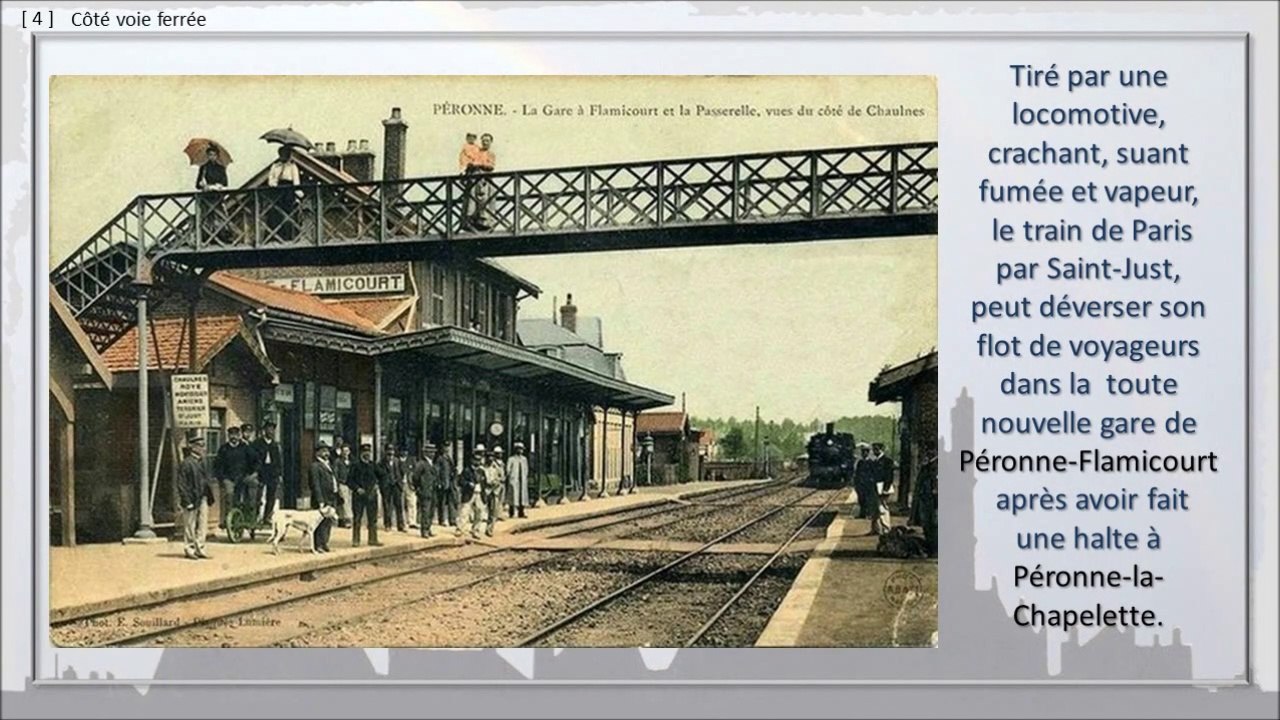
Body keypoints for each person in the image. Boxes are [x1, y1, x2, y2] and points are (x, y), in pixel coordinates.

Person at [177, 431, 214, 560]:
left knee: (203, 524)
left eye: (203, 445)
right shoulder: (186, 463)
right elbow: (181, 484)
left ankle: (200, 548)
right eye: (200, 445)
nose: (203, 448)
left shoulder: (203, 462)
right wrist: (187, 501)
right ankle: (189, 548)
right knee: (190, 525)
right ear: (193, 447)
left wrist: (208, 495)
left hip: (202, 497)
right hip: (191, 499)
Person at [213, 425, 258, 529]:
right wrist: (222, 478)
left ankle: (250, 514)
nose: (233, 437)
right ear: (228, 436)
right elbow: (217, 465)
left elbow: (256, 460)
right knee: (229, 494)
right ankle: (227, 519)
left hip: (243, 477)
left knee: (253, 486)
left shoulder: (245, 447)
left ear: (239, 435)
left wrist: (254, 473)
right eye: (231, 435)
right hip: (229, 478)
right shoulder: (224, 449)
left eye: (236, 435)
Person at [347, 444, 384, 547]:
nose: (367, 454)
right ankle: (356, 540)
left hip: (372, 496)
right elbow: (349, 480)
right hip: (359, 496)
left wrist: (377, 485)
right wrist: (357, 488)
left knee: (372, 519)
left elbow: (383, 475)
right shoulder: (355, 465)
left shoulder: (373, 465)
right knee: (357, 518)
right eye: (365, 452)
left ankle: (373, 539)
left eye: (369, 452)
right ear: (361, 453)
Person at [266, 145, 302, 242]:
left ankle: (289, 236)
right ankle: (276, 236)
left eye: (286, 154)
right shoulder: (275, 166)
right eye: (282, 154)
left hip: (288, 191)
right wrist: (275, 183)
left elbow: (296, 182)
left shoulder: (293, 166)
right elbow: (270, 181)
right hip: (277, 191)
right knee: (275, 213)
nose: (284, 156)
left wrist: (298, 195)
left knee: (289, 213)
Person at [308, 443, 338, 553]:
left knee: (328, 522)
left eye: (327, 451)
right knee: (319, 522)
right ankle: (318, 544)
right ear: (317, 453)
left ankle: (325, 542)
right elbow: (315, 485)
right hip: (322, 498)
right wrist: (320, 500)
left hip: (331, 497)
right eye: (323, 451)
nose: (327, 453)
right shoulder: (315, 466)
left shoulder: (328, 464)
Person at [252, 420, 282, 522]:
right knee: (258, 495)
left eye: (273, 429)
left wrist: (279, 474)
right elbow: (253, 459)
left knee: (271, 495)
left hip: (272, 473)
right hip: (261, 472)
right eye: (269, 429)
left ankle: (267, 516)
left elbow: (278, 461)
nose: (271, 432)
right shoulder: (257, 443)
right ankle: (255, 516)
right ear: (264, 430)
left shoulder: (275, 445)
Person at [457, 445, 488, 540]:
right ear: (472, 460)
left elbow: (484, 482)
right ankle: (460, 529)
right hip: (469, 494)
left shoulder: (481, 471)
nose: (477, 462)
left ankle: (476, 530)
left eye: (479, 460)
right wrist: (468, 484)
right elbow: (460, 481)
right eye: (475, 460)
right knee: (464, 512)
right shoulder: (467, 470)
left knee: (479, 513)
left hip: (479, 494)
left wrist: (484, 492)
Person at [869, 442, 896, 536]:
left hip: (882, 487)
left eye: (876, 449)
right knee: (874, 509)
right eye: (874, 449)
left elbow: (889, 475)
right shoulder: (874, 461)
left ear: (881, 450)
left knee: (882, 508)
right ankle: (875, 529)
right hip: (874, 487)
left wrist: (886, 487)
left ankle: (886, 528)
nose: (875, 451)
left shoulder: (887, 461)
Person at [412, 443, 438, 537]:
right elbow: (415, 477)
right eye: (430, 452)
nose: (433, 454)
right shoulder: (421, 464)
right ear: (425, 453)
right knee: (425, 511)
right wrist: (418, 488)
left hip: (433, 491)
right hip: (424, 490)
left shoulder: (432, 463)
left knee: (431, 511)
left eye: (433, 452)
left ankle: (428, 527)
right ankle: (424, 530)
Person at [380, 443, 405, 532]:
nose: (390, 455)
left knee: (399, 506)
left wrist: (400, 483)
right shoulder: (381, 462)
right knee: (387, 506)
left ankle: (400, 525)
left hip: (396, 486)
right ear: (385, 452)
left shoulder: (397, 461)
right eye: (388, 453)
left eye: (392, 453)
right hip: (387, 487)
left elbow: (402, 472)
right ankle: (388, 524)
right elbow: (379, 474)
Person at [433, 441, 457, 530]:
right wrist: (438, 482)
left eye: (448, 447)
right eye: (445, 447)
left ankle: (452, 519)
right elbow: (437, 471)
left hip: (450, 483)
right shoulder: (440, 458)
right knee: (442, 502)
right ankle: (442, 519)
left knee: (451, 501)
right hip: (443, 483)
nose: (447, 449)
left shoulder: (450, 458)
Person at [484, 446, 507, 535]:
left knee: (493, 510)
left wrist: (496, 482)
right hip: (485, 490)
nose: (490, 459)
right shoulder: (483, 467)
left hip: (494, 491)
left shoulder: (496, 467)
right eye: (489, 457)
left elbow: (500, 476)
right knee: (481, 510)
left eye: (492, 457)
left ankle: (489, 529)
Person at [505, 441, 531, 519]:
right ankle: (512, 512)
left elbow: (526, 469)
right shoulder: (511, 459)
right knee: (513, 496)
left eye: (521, 449)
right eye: (519, 449)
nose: (520, 451)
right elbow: (508, 469)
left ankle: (521, 512)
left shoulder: (524, 459)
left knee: (522, 496)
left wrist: (525, 477)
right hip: (514, 480)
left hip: (522, 480)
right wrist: (510, 477)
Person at [852, 443, 874, 520]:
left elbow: (873, 474)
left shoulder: (871, 462)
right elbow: (857, 473)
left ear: (868, 453)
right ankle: (862, 513)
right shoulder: (860, 462)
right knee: (861, 499)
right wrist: (856, 484)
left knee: (868, 499)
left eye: (866, 452)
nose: (864, 453)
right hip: (860, 484)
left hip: (868, 484)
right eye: (863, 452)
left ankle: (868, 514)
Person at [333, 441, 353, 528]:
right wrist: (337, 484)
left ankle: (342, 520)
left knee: (349, 502)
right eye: (344, 451)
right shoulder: (338, 461)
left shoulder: (351, 461)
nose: (346, 453)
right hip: (342, 483)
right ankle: (347, 520)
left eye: (347, 451)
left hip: (350, 484)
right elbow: (335, 473)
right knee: (344, 502)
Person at [399, 446, 418, 530]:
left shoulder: (411, 460)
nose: (404, 453)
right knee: (401, 504)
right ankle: (403, 522)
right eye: (402, 451)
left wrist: (414, 484)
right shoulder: (397, 460)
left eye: (406, 451)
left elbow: (415, 472)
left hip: (410, 484)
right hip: (400, 484)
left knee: (412, 503)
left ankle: (412, 521)